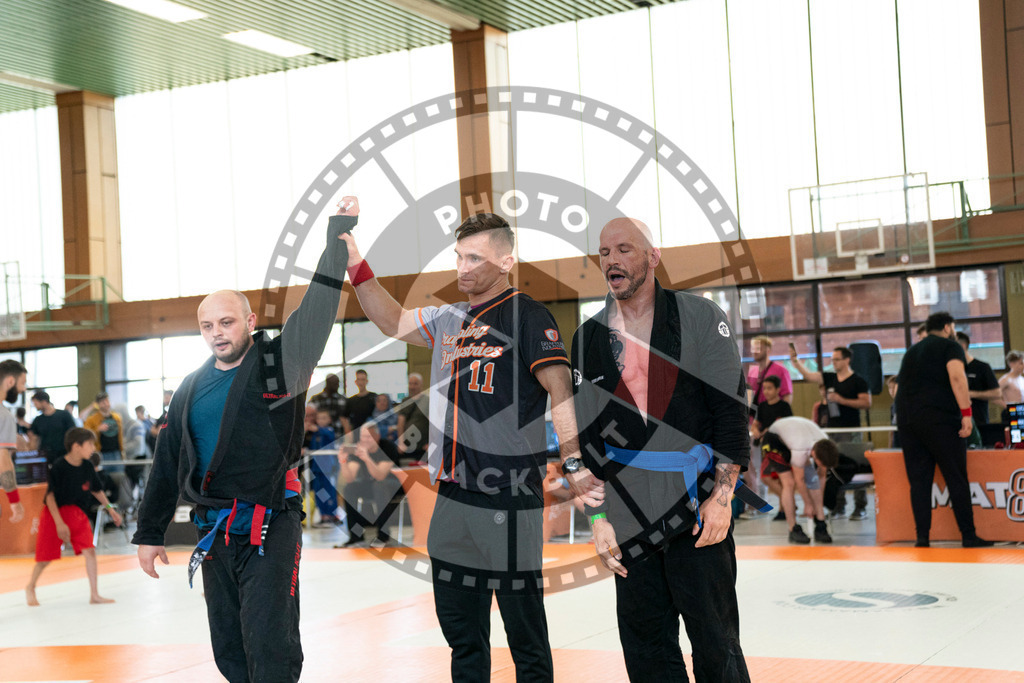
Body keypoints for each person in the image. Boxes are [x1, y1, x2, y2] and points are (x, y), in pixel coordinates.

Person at [340, 202, 590, 682]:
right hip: (452, 496)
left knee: (524, 630)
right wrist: (356, 262)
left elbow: (559, 389)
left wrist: (573, 461)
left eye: (475, 258)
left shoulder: (528, 316)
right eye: (459, 257)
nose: (463, 268)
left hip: (509, 493)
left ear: (505, 262)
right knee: (461, 632)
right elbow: (390, 319)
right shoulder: (447, 319)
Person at [132, 199, 356, 683]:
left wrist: (337, 236)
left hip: (269, 523)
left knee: (270, 642)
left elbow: (316, 312)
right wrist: (150, 531)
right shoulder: (191, 385)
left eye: (226, 322)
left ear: (250, 322)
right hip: (213, 529)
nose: (217, 333)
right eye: (207, 326)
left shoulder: (281, 364)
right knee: (229, 645)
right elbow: (168, 459)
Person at [571, 217, 752, 681]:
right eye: (605, 252)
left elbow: (730, 414)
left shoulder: (699, 317)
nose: (612, 260)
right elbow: (589, 439)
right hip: (629, 508)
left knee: (715, 639)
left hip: (694, 498)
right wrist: (597, 519)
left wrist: (722, 498)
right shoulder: (588, 338)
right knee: (645, 645)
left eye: (625, 249)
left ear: (653, 257)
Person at [895, 311, 993, 548]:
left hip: (908, 421)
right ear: (949, 327)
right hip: (940, 420)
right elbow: (957, 378)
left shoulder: (911, 351)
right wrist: (967, 414)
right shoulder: (951, 347)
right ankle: (968, 536)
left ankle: (922, 538)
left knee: (919, 482)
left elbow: (899, 387)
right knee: (956, 477)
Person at [25, 427, 123, 606]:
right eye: (90, 444)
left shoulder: (87, 466)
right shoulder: (60, 466)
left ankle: (94, 594)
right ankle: (30, 586)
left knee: (90, 551)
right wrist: (59, 522)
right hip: (54, 514)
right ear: (76, 446)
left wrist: (111, 509)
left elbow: (96, 489)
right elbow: (50, 495)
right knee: (45, 558)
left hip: (76, 513)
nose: (93, 448)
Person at [790, 345, 871, 518]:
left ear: (847, 360)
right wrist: (796, 362)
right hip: (832, 432)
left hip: (851, 431)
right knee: (833, 468)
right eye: (832, 359)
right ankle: (838, 505)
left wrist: (842, 400)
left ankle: (860, 506)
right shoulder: (829, 378)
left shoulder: (858, 381)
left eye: (836, 359)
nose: (833, 362)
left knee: (855, 466)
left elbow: (866, 403)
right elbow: (809, 376)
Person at [760, 417, 837, 544]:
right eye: (819, 462)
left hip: (794, 437)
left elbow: (820, 477)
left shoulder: (825, 442)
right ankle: (793, 529)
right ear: (814, 454)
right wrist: (808, 504)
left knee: (813, 479)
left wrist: (819, 509)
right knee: (789, 482)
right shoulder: (801, 447)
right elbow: (799, 480)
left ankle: (821, 524)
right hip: (774, 440)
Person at [337, 422, 401, 546]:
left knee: (379, 485)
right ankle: (356, 535)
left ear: (377, 436)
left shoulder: (388, 447)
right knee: (350, 488)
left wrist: (367, 458)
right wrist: (343, 461)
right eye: (363, 436)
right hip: (370, 484)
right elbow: (350, 478)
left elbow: (380, 476)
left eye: (368, 437)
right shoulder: (359, 449)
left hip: (392, 484)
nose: (364, 440)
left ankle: (383, 535)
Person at [0, 359, 28, 524]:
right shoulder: (4, 416)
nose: (23, 389)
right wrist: (15, 501)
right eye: (22, 383)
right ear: (10, 381)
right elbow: (3, 461)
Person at [956, 332, 1000, 426]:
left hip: (978, 420)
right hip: (956, 421)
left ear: (962, 346)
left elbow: (997, 393)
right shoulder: (952, 369)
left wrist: (971, 394)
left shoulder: (982, 367)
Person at [308, 407, 340, 525]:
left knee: (330, 490)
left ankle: (333, 514)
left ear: (329, 419)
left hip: (328, 467)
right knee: (319, 490)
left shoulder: (329, 431)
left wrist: (318, 428)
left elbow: (329, 435)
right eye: (318, 418)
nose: (320, 420)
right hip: (317, 468)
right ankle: (323, 515)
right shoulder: (314, 433)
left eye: (324, 418)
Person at [29, 390, 77, 464]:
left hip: (63, 454)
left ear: (44, 402)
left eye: (36, 403)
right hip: (45, 456)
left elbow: (73, 434)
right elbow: (35, 439)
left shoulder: (64, 415)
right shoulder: (38, 420)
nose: (35, 405)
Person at [747, 336, 793, 405]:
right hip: (756, 413)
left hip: (774, 412)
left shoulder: (780, 369)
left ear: (768, 350)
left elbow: (787, 395)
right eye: (753, 349)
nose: (755, 352)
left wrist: (783, 413)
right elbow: (749, 395)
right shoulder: (752, 371)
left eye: (759, 348)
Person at [395, 372, 429, 462]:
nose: (412, 386)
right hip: (407, 445)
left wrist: (431, 443)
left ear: (421, 385)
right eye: (410, 383)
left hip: (423, 446)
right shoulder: (405, 401)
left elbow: (434, 424)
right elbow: (400, 423)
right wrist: (401, 443)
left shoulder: (427, 400)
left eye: (415, 384)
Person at [750, 376, 792, 442]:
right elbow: (755, 424)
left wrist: (771, 430)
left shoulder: (784, 406)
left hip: (780, 441)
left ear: (777, 390)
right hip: (763, 441)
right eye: (764, 388)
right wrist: (755, 430)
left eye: (769, 388)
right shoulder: (762, 406)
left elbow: (789, 426)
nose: (766, 391)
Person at [310, 373, 350, 439]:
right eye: (333, 383)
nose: (336, 385)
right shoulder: (316, 399)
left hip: (339, 436)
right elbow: (309, 417)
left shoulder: (343, 400)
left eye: (337, 383)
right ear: (327, 383)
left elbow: (346, 421)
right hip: (319, 437)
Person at [998, 350, 1024, 425]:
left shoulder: (1022, 379)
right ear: (1012, 364)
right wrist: (1005, 406)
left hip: (1021, 411)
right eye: (1021, 363)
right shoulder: (1005, 380)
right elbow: (994, 395)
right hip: (1010, 413)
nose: (1023, 366)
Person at [146, 390, 173, 454]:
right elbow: (153, 430)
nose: (164, 400)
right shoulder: (164, 414)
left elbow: (159, 432)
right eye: (164, 398)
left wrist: (157, 430)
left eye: (166, 398)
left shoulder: (172, 414)